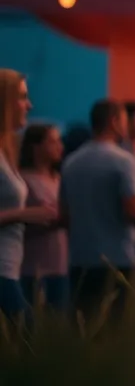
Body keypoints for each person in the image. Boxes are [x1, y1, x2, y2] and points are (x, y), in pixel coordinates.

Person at [61, 99, 135, 323]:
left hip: (80, 259)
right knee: (115, 327)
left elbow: (64, 214)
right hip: (117, 259)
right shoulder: (123, 161)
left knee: (84, 327)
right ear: (114, 121)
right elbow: (134, 210)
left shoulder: (71, 162)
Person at [0, 70, 59, 319]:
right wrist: (27, 214)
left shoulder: (6, 152)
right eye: (23, 97)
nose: (29, 105)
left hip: (11, 270)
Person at [19, 123, 68, 313]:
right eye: (53, 141)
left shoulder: (60, 179)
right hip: (33, 268)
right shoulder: (23, 180)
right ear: (35, 146)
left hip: (61, 266)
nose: (60, 146)